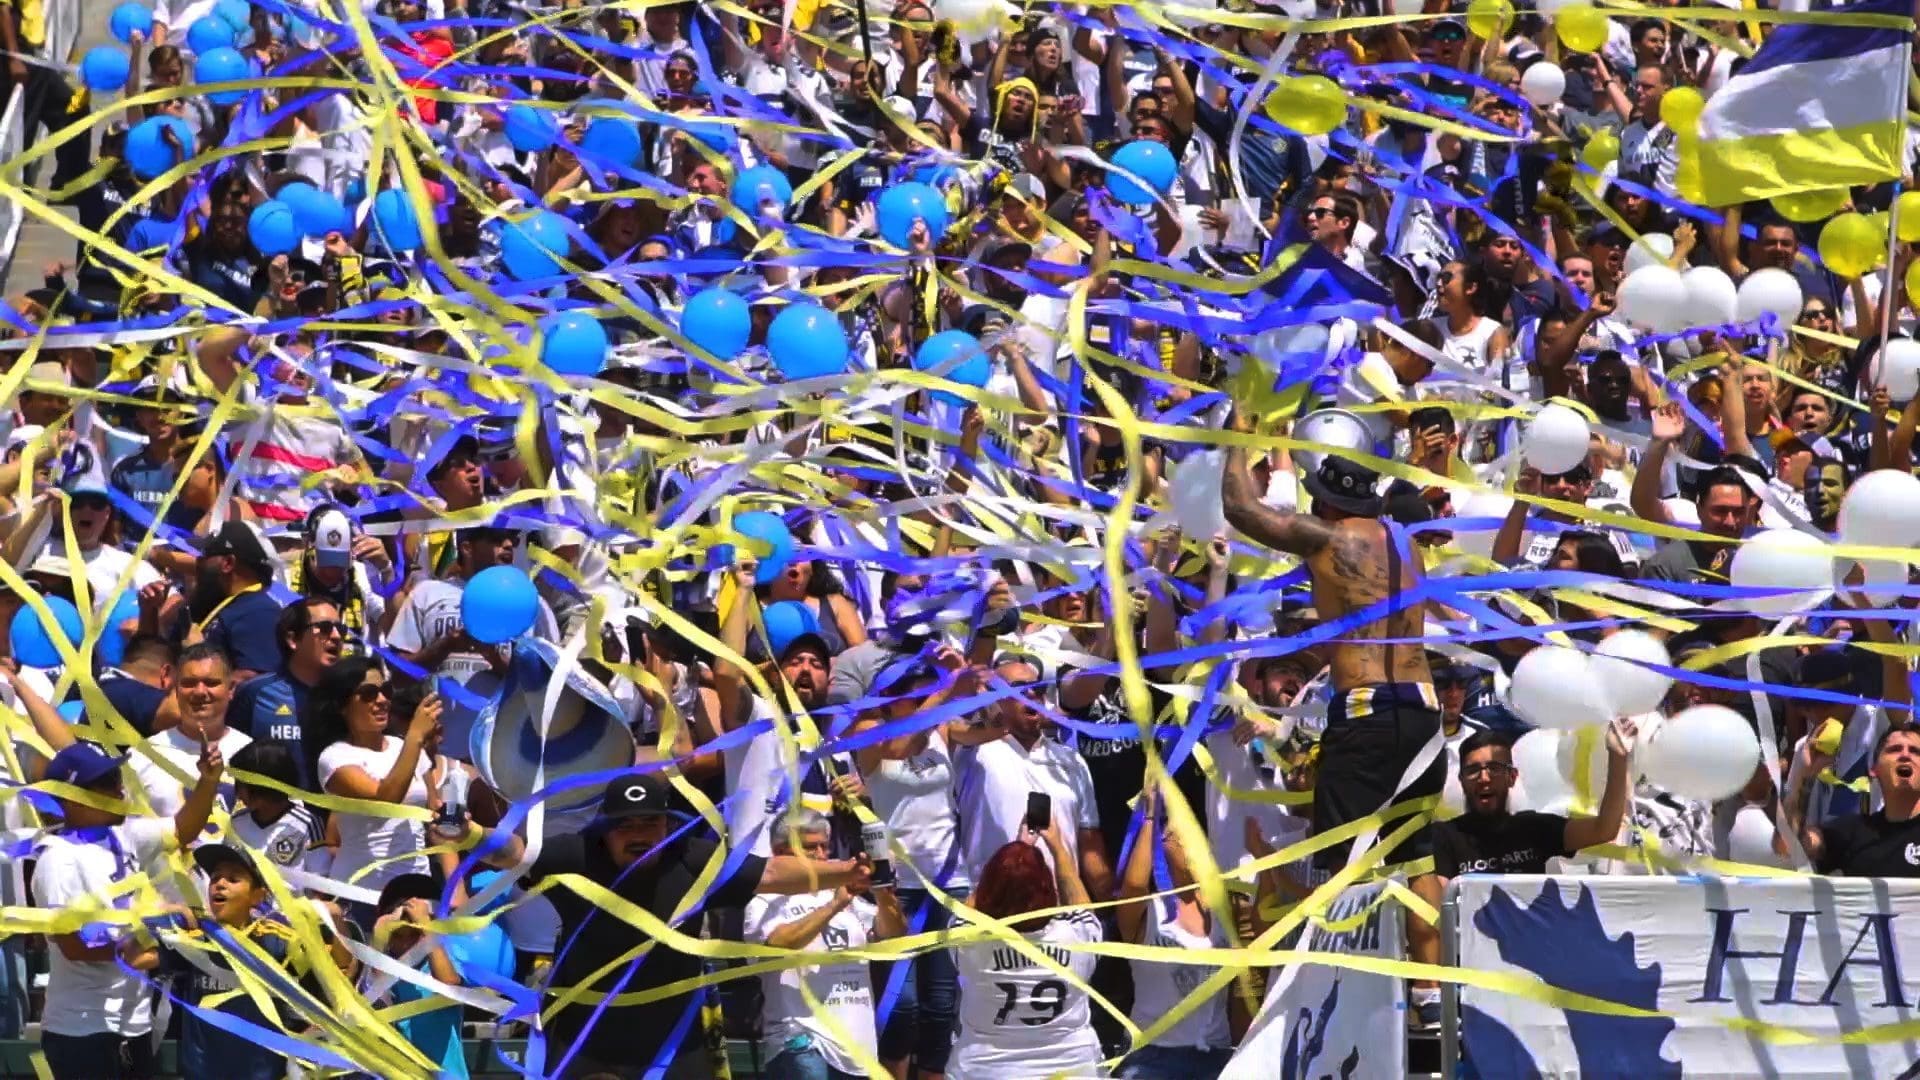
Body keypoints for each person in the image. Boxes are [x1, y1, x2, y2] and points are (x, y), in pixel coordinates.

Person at [1219, 404, 1448, 1011]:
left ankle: (1337, 999)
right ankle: (1430, 992)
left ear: (1323, 503)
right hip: (1425, 714)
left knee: (1339, 867)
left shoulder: (1328, 539)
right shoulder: (1406, 546)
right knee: (1413, 852)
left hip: (1369, 714)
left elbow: (1242, 511)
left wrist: (1237, 440)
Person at [467, 772, 875, 1079]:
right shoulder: (577, 856)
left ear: (667, 825)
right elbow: (514, 853)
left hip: (674, 1039)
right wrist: (467, 833)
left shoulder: (693, 858)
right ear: (604, 831)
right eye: (626, 825)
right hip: (586, 1037)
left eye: (650, 823)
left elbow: (770, 872)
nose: (640, 834)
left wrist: (846, 872)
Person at [27, 735, 224, 1080]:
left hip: (132, 1023)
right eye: (105, 783)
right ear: (70, 798)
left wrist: (208, 781)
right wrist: (160, 950)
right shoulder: (58, 858)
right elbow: (75, 947)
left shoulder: (124, 835)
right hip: (83, 1028)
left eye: (117, 778)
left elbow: (182, 828)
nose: (119, 790)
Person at [146, 843, 333, 1080]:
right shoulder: (194, 939)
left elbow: (331, 991)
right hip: (200, 1073)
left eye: (233, 879)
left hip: (260, 1074)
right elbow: (134, 954)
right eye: (215, 878)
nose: (220, 884)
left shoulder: (278, 941)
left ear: (257, 896)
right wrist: (167, 911)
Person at [745, 809, 908, 1080]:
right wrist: (834, 906)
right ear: (779, 853)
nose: (821, 855)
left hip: (856, 1045)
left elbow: (893, 933)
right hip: (801, 1040)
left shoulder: (850, 898)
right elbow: (777, 946)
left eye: (825, 847)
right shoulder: (765, 902)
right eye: (810, 848)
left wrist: (881, 890)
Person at [948, 826, 1103, 1080]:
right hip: (1073, 1068)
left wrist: (1009, 865)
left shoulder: (970, 945)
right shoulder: (1076, 938)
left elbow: (970, 910)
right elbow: (1084, 911)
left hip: (984, 1071)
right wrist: (1058, 848)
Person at [307, 657, 443, 923]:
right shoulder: (334, 757)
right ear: (342, 705)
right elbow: (384, 801)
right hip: (361, 896)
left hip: (415, 893)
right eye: (369, 694)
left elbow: (433, 812)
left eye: (386, 691)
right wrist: (415, 737)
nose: (382, 700)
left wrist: (450, 820)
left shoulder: (404, 746)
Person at [1431, 721, 1638, 880]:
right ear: (1461, 780)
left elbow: (1604, 829)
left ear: (1512, 777)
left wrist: (1617, 757)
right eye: (1473, 770)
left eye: (1495, 768)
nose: (1484, 778)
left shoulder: (1533, 827)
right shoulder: (1444, 837)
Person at [225, 597, 346, 783]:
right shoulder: (255, 693)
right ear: (292, 639)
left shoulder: (349, 696)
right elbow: (231, 752)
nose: (337, 636)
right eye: (324, 628)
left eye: (341, 629)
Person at [1795, 722, 1920, 877]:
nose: (1905, 755)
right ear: (1873, 770)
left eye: (1916, 752)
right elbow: (1789, 846)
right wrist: (1805, 778)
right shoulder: (1854, 830)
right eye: (1894, 749)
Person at [189, 521, 286, 682]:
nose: (198, 562)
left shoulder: (259, 612)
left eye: (206, 555)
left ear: (228, 563)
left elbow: (257, 680)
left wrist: (196, 654)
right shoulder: (232, 606)